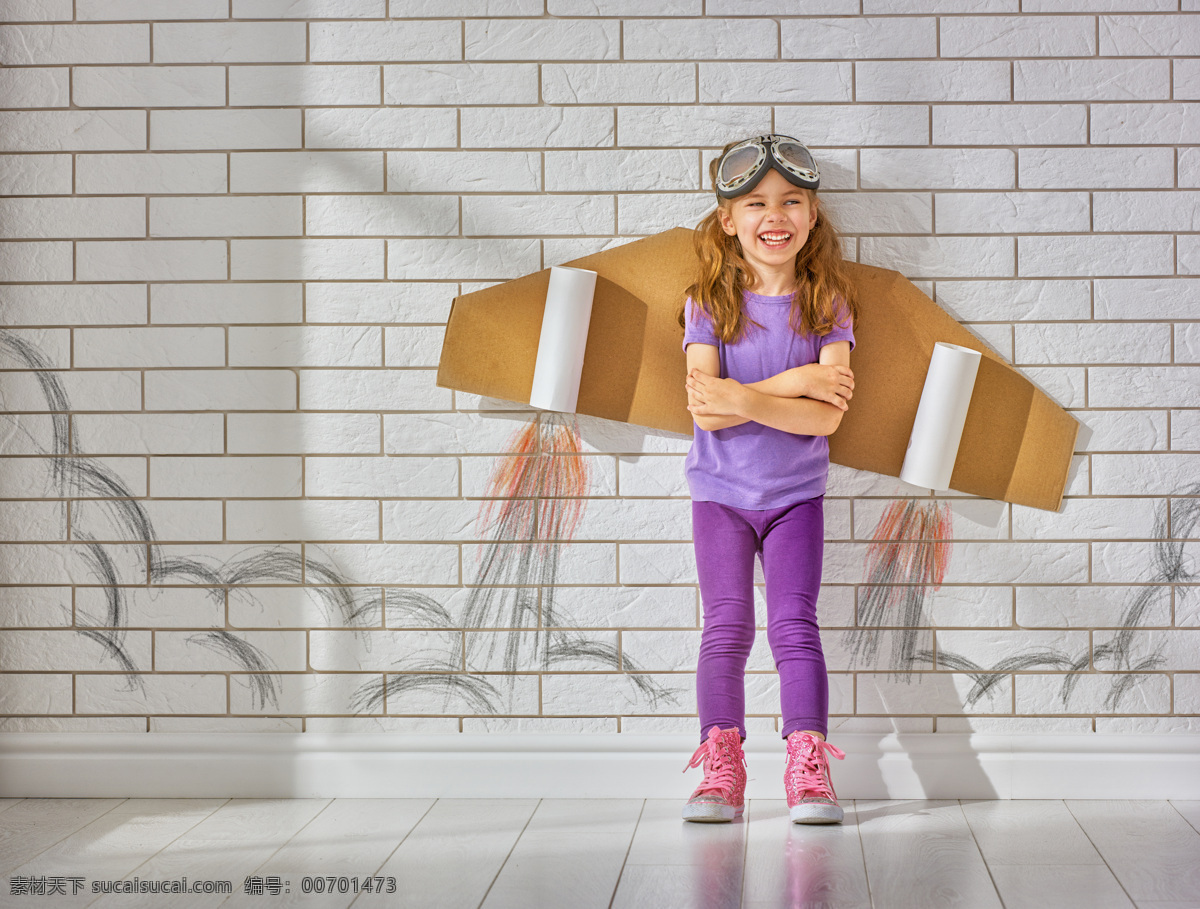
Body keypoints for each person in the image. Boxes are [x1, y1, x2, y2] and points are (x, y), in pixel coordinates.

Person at [678, 135, 858, 825]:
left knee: (793, 627)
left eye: (791, 201)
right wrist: (795, 385)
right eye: (755, 202)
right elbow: (704, 404)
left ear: (812, 216)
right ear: (729, 219)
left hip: (796, 499)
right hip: (719, 496)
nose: (773, 214)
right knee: (725, 628)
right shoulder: (708, 303)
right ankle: (721, 768)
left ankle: (808, 768)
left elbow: (829, 417)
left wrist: (744, 396)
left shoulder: (828, 305)